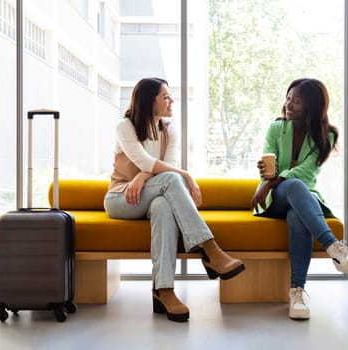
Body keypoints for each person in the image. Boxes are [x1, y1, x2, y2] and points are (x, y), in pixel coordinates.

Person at [104, 77, 245, 322]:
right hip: (121, 198)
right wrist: (186, 175)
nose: (171, 101)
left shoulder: (169, 129)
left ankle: (163, 290)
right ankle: (210, 250)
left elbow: (165, 166)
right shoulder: (124, 126)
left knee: (162, 206)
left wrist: (142, 177)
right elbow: (148, 162)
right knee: (173, 180)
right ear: (150, 101)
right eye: (165, 97)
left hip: (150, 196)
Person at [251, 78, 348, 320]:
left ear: (312, 106)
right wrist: (266, 178)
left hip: (301, 198)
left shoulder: (327, 135)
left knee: (297, 215)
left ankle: (297, 292)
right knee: (293, 186)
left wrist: (272, 180)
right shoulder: (276, 128)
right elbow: (271, 165)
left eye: (297, 101)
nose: (288, 104)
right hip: (276, 198)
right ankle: (334, 247)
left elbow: (307, 172)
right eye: (288, 98)